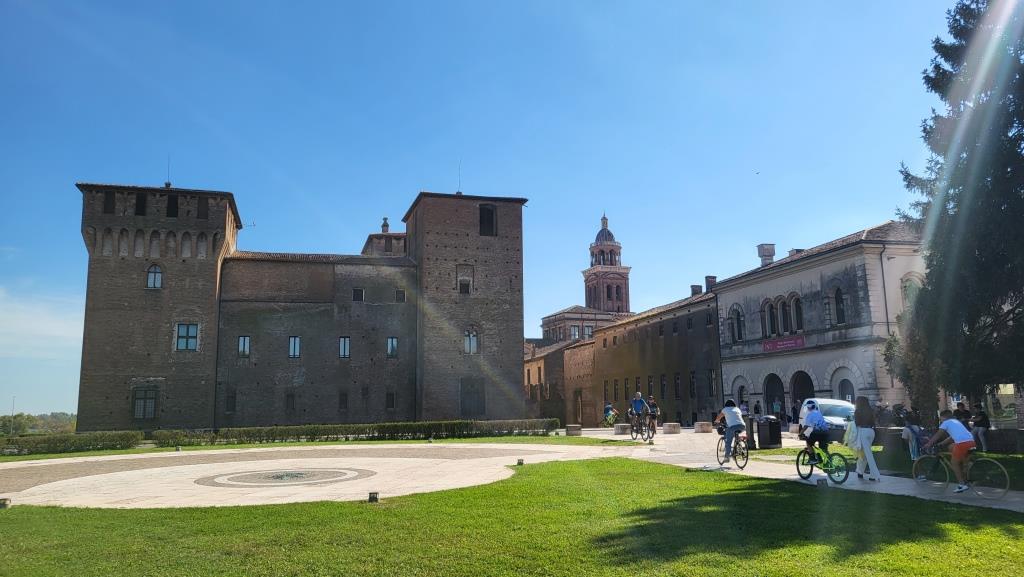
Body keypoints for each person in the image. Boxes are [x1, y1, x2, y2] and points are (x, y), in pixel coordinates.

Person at [922, 409, 976, 493]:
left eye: (941, 418)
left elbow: (938, 435)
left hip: (962, 444)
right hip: (971, 442)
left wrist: (929, 444)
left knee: (954, 463)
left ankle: (961, 485)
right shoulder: (956, 422)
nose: (940, 420)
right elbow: (951, 437)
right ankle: (966, 466)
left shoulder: (946, 423)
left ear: (944, 417)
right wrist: (941, 444)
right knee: (951, 447)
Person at [853, 396, 879, 481]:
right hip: (871, 431)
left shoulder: (858, 411)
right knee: (863, 453)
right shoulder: (870, 410)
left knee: (867, 454)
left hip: (863, 431)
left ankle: (874, 475)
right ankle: (860, 472)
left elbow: (857, 423)